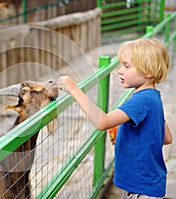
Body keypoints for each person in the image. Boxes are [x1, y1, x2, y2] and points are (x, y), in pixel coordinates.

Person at [56, 38, 173, 198]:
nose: (119, 70)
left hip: (141, 189)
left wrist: (74, 89)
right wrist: (128, 134)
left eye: (126, 66)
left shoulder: (141, 100)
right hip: (150, 182)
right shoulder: (153, 97)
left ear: (148, 71)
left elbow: (102, 121)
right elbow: (166, 138)